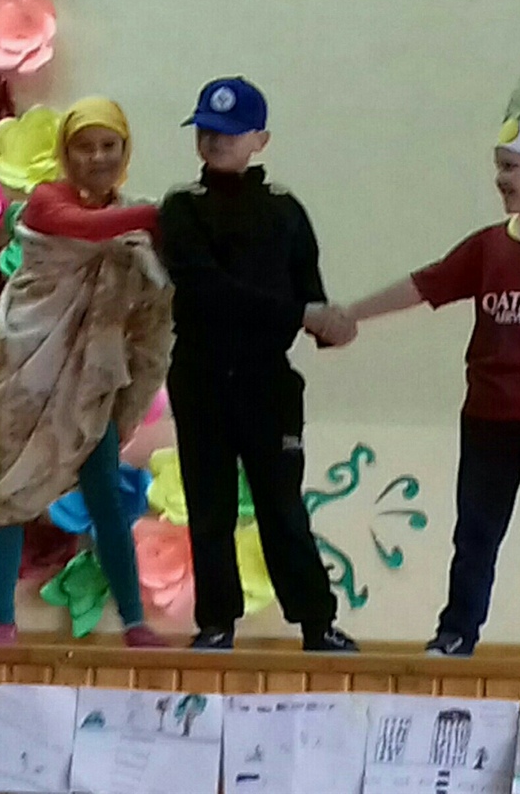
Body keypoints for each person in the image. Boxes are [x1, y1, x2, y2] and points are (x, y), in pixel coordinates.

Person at [346, 100, 520, 662]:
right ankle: (457, 631)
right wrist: (350, 314)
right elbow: (424, 286)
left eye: (511, 167)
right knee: (475, 534)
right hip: (488, 420)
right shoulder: (487, 247)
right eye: (498, 166)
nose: (500, 178)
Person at [159, 76, 359, 652]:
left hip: (267, 381)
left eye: (230, 131)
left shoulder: (285, 210)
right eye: (206, 130)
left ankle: (317, 621)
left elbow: (309, 290)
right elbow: (207, 290)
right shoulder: (182, 207)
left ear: (260, 139)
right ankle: (216, 622)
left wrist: (329, 325)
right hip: (201, 375)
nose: (216, 141)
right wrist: (301, 313)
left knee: (282, 505)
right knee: (210, 506)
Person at [0, 97, 172, 648]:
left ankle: (134, 623)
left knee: (105, 494)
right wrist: (159, 216)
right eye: (84, 147)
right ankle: (1, 623)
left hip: (93, 375)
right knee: (12, 489)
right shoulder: (48, 200)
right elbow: (80, 228)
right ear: (67, 155)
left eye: (108, 145)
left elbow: (160, 289)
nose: (97, 157)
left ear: (124, 150)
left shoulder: (132, 217)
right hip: (32, 372)